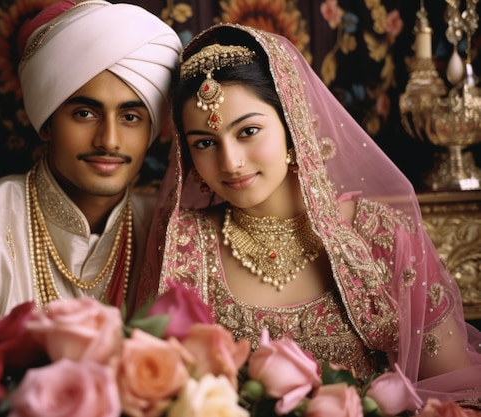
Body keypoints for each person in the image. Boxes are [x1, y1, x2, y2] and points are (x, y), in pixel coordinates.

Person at [136, 23, 481, 405]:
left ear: (292, 126)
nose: (230, 162)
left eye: (248, 131)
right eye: (204, 142)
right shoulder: (183, 244)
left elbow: (458, 393)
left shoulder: (375, 235)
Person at [0, 0, 182, 367]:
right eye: (84, 113)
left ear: (152, 131)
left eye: (130, 116)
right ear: (46, 123)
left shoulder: (171, 232)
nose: (109, 139)